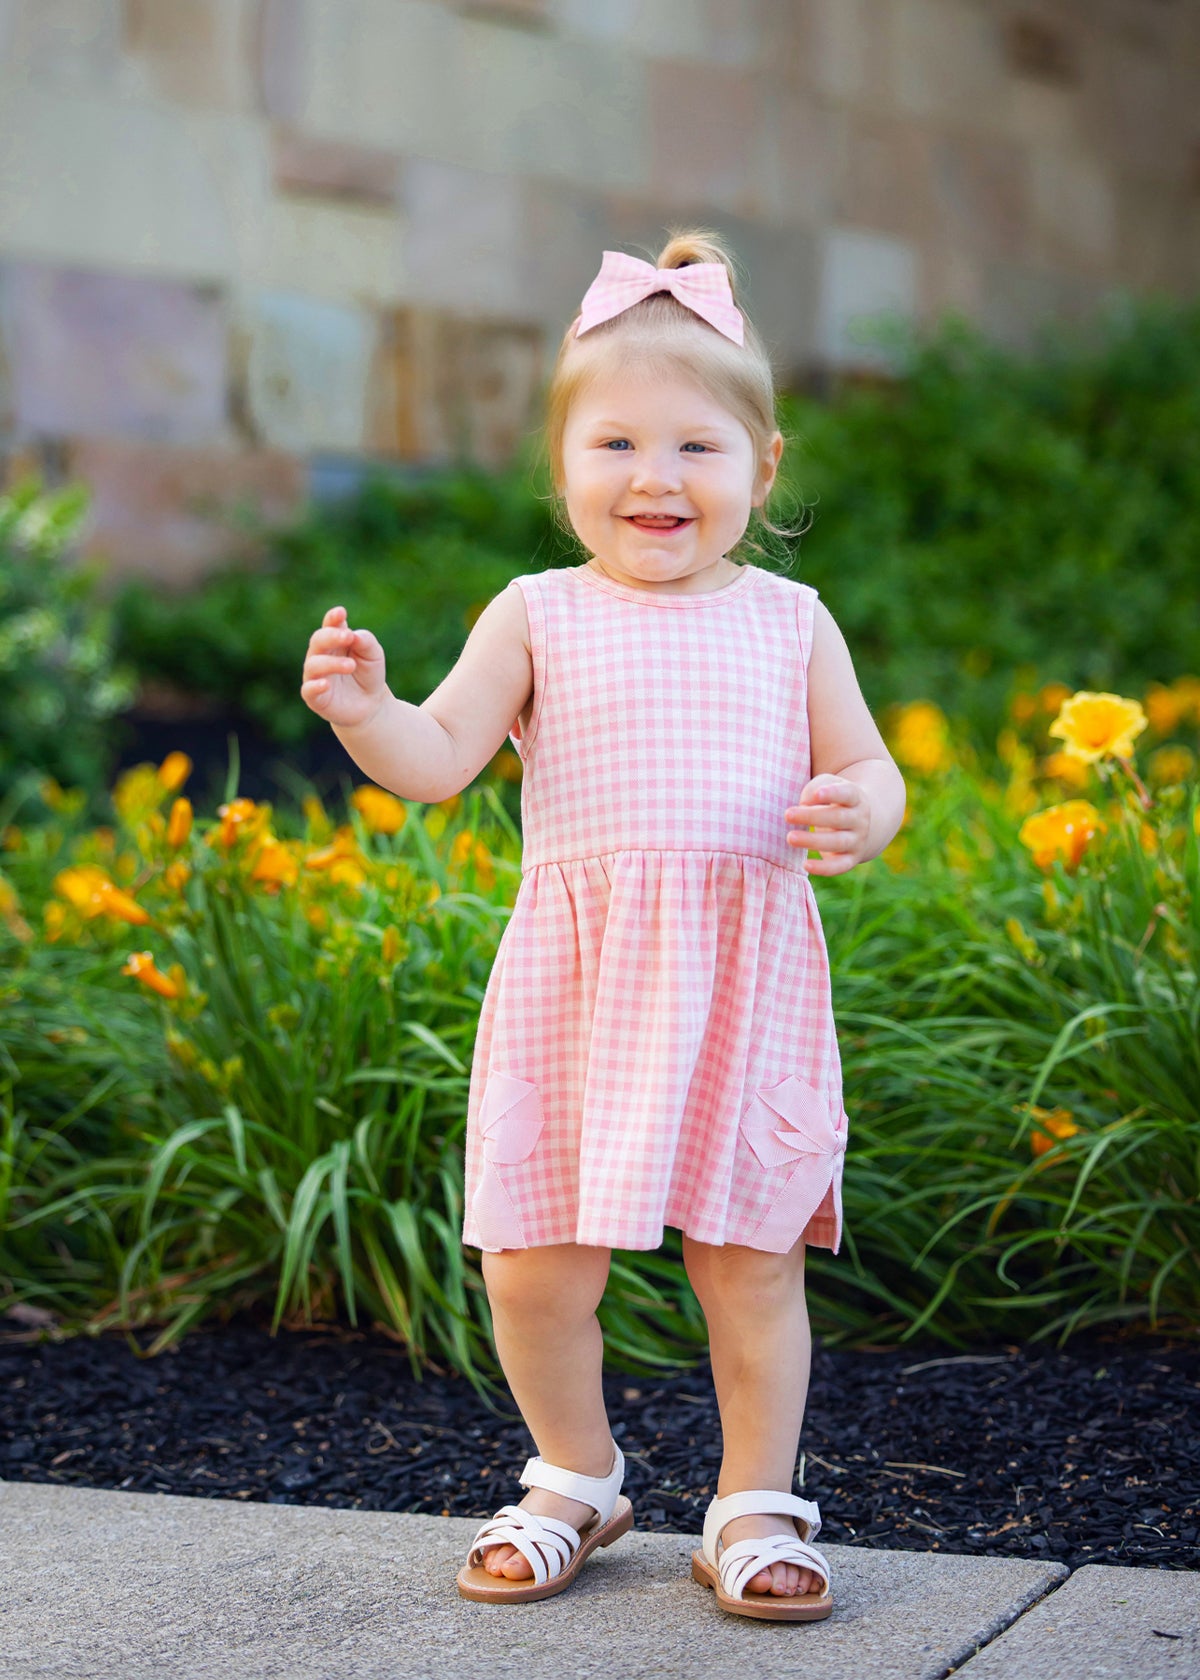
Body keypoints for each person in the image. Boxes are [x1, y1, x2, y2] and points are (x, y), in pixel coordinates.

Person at [300, 231, 906, 1622]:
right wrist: (367, 714)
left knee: (750, 1264)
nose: (655, 477)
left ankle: (754, 1501)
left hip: (742, 990)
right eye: (616, 443)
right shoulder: (537, 616)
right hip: (575, 994)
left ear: (764, 467)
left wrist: (863, 811)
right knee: (531, 1266)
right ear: (563, 465)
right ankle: (576, 1472)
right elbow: (438, 757)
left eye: (698, 447)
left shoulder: (793, 623)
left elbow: (873, 765)